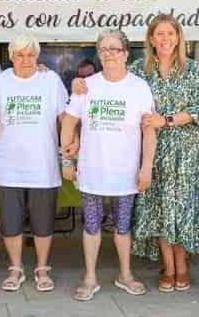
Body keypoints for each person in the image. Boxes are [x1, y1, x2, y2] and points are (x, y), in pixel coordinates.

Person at [73, 14, 199, 292]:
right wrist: (77, 84)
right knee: (159, 209)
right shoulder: (139, 68)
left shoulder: (192, 68)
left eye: (170, 33)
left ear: (179, 38)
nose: (165, 39)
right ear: (151, 39)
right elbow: (110, 78)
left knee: (181, 209)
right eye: (160, 34)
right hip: (150, 153)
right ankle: (167, 268)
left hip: (183, 151)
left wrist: (166, 120)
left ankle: (181, 267)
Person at [60, 28, 157, 301]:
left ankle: (125, 275)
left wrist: (146, 166)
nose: (109, 54)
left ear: (126, 53)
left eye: (115, 49)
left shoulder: (139, 87)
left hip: (125, 173)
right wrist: (67, 159)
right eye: (103, 49)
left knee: (123, 227)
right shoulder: (86, 85)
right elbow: (69, 122)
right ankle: (90, 278)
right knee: (91, 226)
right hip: (92, 171)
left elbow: (149, 130)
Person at [0, 34, 69, 293]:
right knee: (10, 220)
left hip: (43, 163)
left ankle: (42, 268)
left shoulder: (50, 80)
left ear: (38, 57)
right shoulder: (2, 81)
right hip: (9, 162)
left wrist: (68, 154)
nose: (25, 60)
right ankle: (16, 268)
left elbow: (64, 118)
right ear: (10, 57)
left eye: (31, 55)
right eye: (19, 55)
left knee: (43, 221)